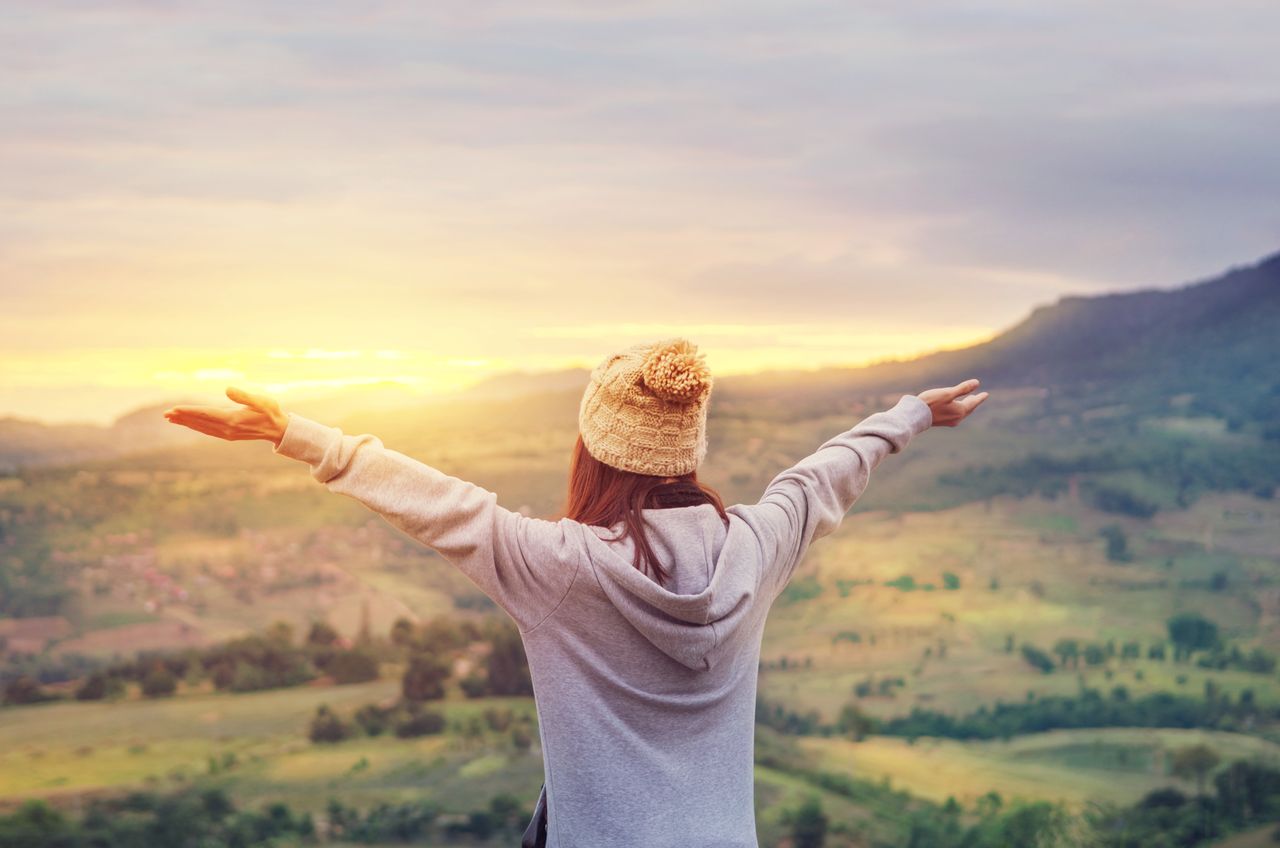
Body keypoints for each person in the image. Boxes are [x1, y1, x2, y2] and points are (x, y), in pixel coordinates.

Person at [163, 337, 988, 848]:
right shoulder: (756, 546)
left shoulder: (556, 566)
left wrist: (296, 435)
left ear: (591, 452)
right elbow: (819, 477)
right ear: (686, 454)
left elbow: (442, 504)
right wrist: (910, 414)